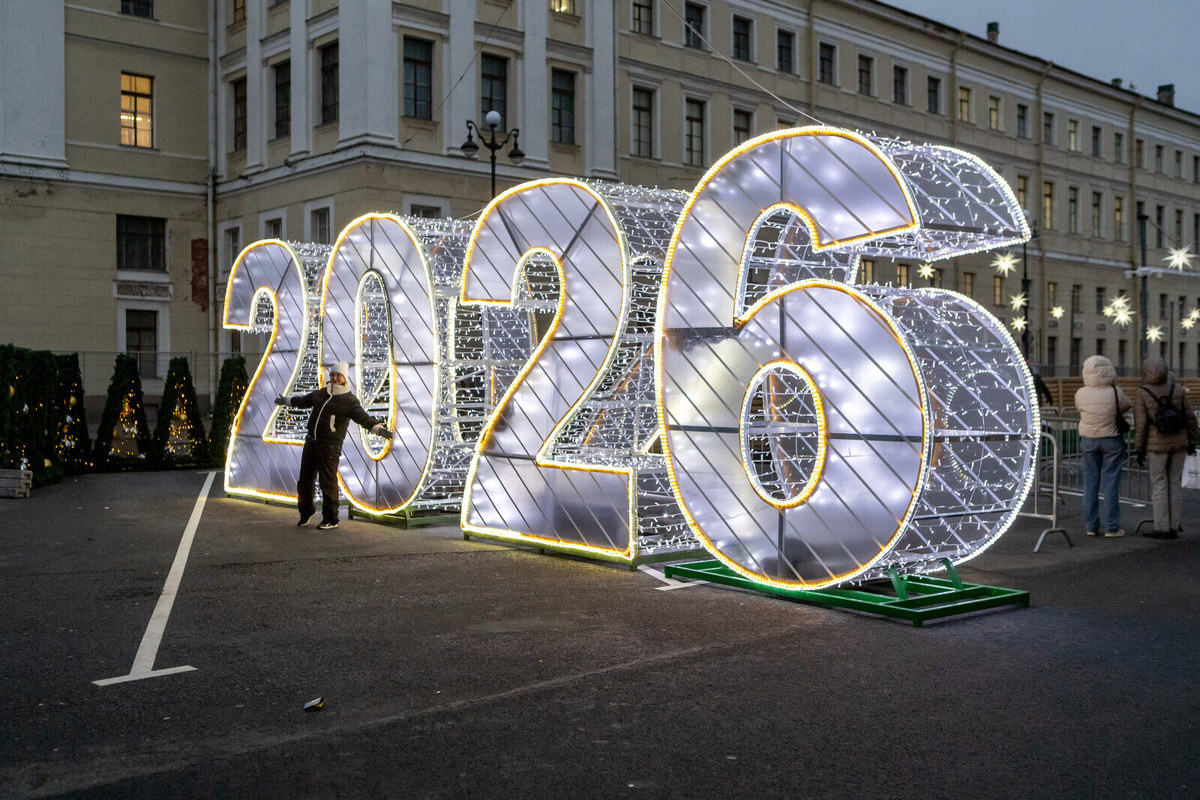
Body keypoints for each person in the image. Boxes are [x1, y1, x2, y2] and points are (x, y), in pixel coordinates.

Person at [275, 361, 391, 530]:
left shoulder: (349, 400)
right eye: (333, 375)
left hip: (330, 446)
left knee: (327, 481)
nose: (335, 378)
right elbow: (304, 401)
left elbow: (363, 418)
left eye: (338, 375)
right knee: (305, 480)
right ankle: (306, 512)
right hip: (312, 441)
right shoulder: (322, 394)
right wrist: (286, 401)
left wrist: (378, 429)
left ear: (344, 378)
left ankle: (331, 518)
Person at [1132, 356, 1198, 539]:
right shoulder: (1177, 390)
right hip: (1179, 442)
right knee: (1175, 483)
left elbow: (1141, 425)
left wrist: (1139, 449)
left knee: (1159, 484)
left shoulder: (1142, 393)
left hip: (1156, 446)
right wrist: (1192, 441)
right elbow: (1190, 417)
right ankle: (1174, 524)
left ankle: (1162, 527)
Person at [1074, 355, 1131, 538]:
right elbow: (1126, 406)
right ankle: (1112, 527)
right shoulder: (1116, 391)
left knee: (1090, 484)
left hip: (1089, 440)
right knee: (1111, 483)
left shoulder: (1080, 393)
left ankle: (1091, 526)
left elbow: (1079, 409)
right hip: (1112, 439)